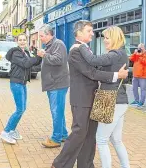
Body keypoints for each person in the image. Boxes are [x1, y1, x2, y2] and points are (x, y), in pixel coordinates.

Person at [52, 21, 128, 168]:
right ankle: (60, 164)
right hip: (81, 99)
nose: (92, 33)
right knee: (79, 133)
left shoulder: (86, 49)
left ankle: (86, 165)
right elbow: (91, 73)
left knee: (90, 135)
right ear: (79, 32)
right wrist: (116, 75)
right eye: (89, 31)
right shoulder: (75, 50)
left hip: (93, 98)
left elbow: (96, 65)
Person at [0, 34, 42, 144]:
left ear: (27, 41)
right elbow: (26, 63)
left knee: (22, 108)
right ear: (17, 41)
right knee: (20, 109)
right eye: (20, 40)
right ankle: (6, 131)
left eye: (24, 40)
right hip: (16, 83)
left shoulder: (26, 52)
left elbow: (33, 65)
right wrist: (37, 57)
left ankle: (12, 130)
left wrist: (40, 57)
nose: (22, 42)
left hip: (22, 83)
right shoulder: (16, 52)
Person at [37, 24, 70, 148]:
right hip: (54, 83)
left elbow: (58, 60)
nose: (40, 38)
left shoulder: (58, 44)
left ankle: (56, 138)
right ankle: (63, 135)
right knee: (58, 111)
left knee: (56, 111)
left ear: (49, 34)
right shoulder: (51, 45)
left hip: (57, 84)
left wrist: (44, 55)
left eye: (41, 36)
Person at [129, 43, 146, 108]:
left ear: (144, 48)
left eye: (141, 47)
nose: (140, 49)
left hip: (142, 75)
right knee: (134, 88)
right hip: (135, 74)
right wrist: (135, 53)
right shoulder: (137, 53)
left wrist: (140, 55)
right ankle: (136, 100)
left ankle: (141, 102)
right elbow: (131, 59)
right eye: (139, 47)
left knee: (143, 89)